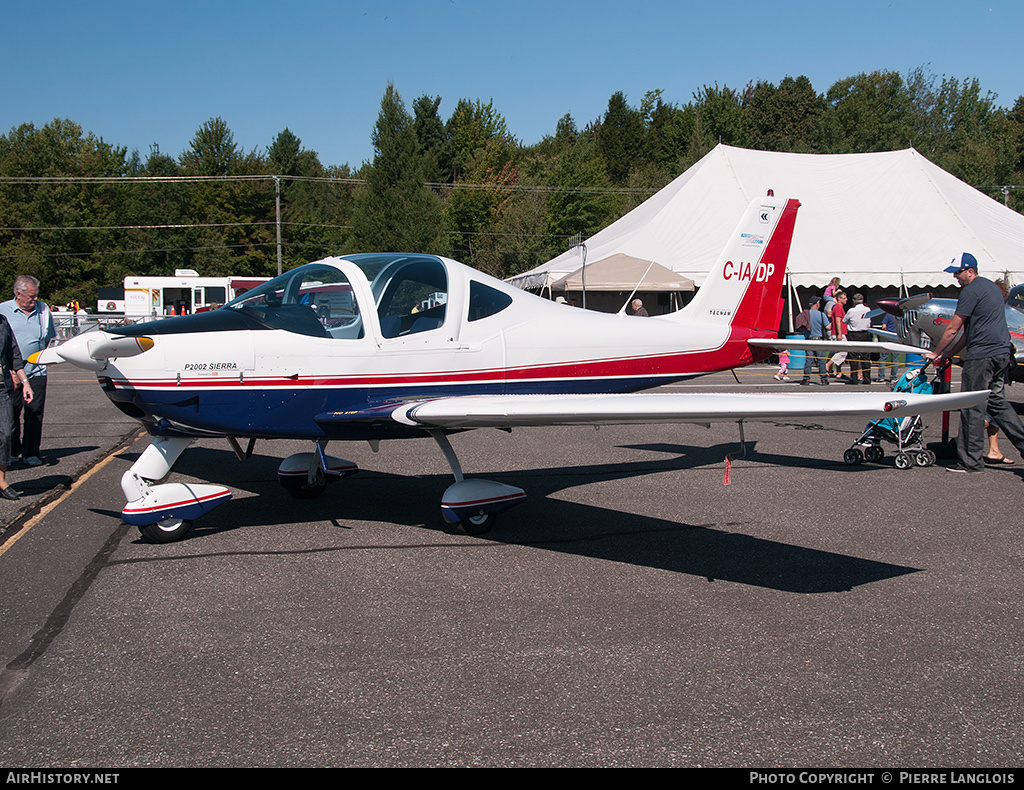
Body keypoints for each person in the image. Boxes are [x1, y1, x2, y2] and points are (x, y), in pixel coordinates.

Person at [923, 252, 1024, 473]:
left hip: (983, 357)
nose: (955, 278)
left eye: (958, 273)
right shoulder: (991, 289)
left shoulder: (970, 290)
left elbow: (953, 327)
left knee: (972, 406)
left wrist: (936, 353)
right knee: (998, 404)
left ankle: (970, 462)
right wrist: (949, 354)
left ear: (970, 271)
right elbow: (971, 332)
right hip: (1001, 354)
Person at [0, 276, 57, 467]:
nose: (34, 301)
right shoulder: (3, 310)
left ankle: (31, 452)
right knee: (11, 411)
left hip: (36, 370)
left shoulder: (43, 309)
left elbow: (48, 337)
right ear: (18, 294)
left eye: (36, 297)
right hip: (11, 370)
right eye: (30, 297)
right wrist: (11, 369)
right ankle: (13, 451)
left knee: (34, 412)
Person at [0, 310, 34, 499]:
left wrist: (25, 382)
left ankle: (1, 481)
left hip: (2, 388)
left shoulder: (2, 322)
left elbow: (14, 354)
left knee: (6, 433)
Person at [799, 295, 830, 385]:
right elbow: (828, 326)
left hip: (809, 339)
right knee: (821, 360)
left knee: (809, 360)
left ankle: (806, 379)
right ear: (817, 304)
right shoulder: (821, 314)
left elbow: (800, 326)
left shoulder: (805, 314)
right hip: (818, 339)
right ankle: (824, 379)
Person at [844, 293, 873, 384]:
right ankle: (867, 379)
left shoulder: (851, 311)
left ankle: (854, 378)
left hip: (854, 334)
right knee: (866, 357)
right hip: (865, 333)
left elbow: (845, 320)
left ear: (854, 301)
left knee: (854, 357)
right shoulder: (867, 309)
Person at [825, 290, 848, 379]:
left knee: (834, 351)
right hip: (838, 333)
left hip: (836, 332)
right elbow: (838, 321)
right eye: (844, 298)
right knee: (843, 352)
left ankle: (836, 371)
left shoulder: (838, 307)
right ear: (839, 299)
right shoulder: (838, 307)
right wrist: (840, 334)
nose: (846, 300)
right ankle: (828, 365)